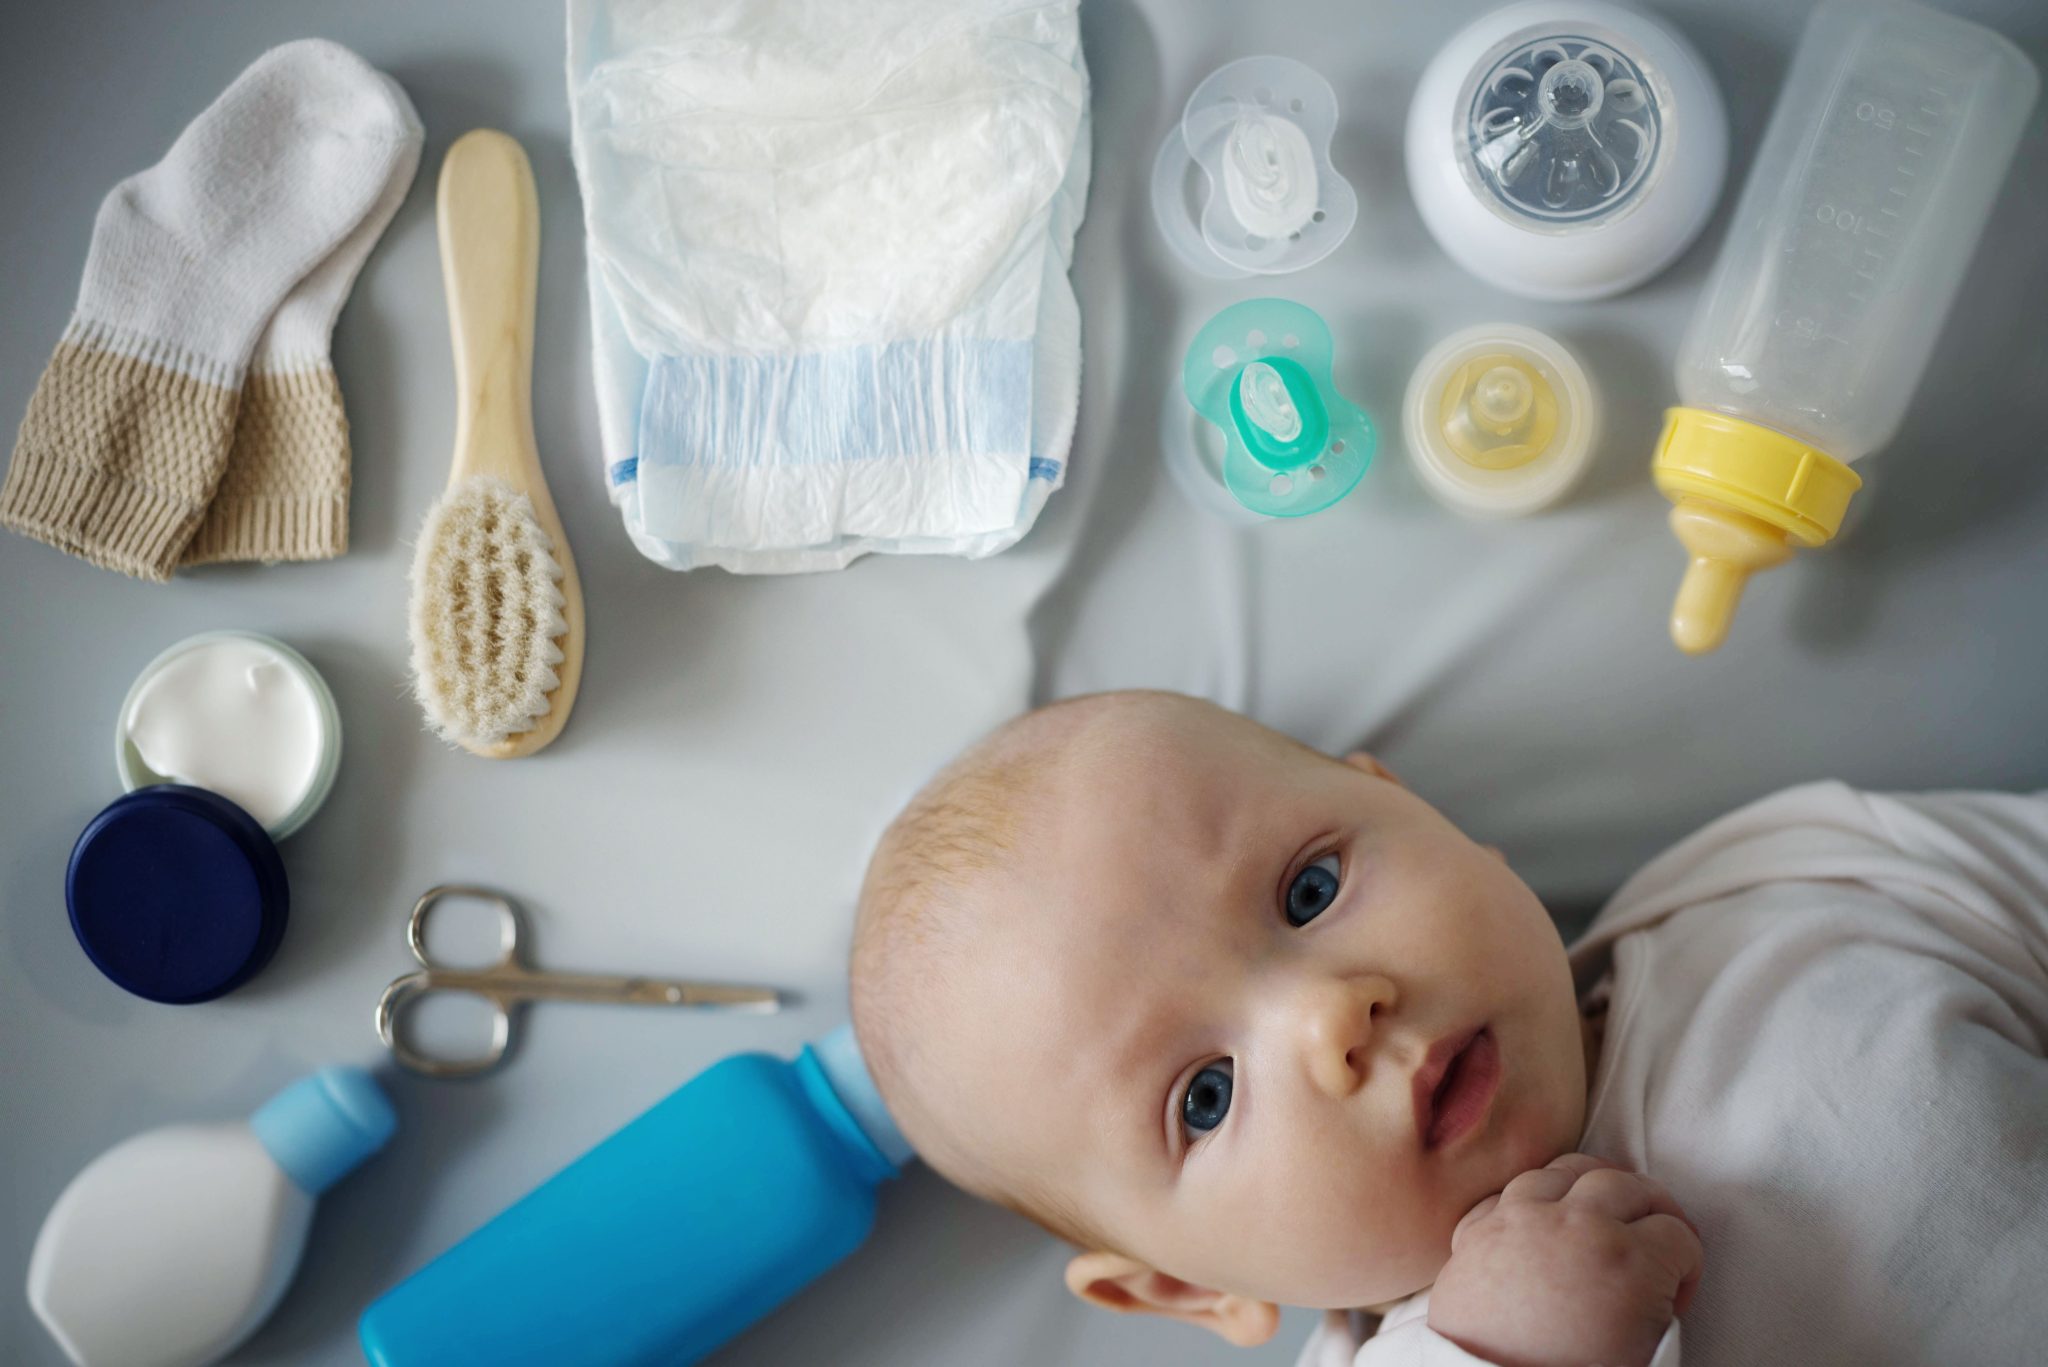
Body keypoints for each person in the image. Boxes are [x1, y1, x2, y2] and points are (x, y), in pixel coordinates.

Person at [849, 690, 2048, 1365]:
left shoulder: (1784, 890)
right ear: (1182, 1283)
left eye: (1307, 892)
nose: (1332, 1015)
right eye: (1202, 1094)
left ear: (1412, 808)